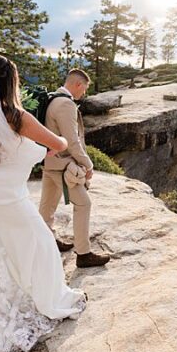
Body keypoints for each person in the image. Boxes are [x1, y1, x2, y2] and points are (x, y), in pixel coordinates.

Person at [0, 54, 86, 352]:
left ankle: (3, 300)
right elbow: (59, 144)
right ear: (9, 82)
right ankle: (48, 300)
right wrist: (50, 139)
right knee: (41, 245)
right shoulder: (16, 116)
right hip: (9, 197)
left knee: (2, 247)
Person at [38, 69, 111, 267]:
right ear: (78, 84)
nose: (84, 93)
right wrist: (88, 164)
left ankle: (47, 241)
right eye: (84, 89)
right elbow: (72, 141)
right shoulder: (65, 104)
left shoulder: (52, 98)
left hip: (50, 162)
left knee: (47, 205)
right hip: (63, 165)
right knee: (83, 204)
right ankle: (83, 254)